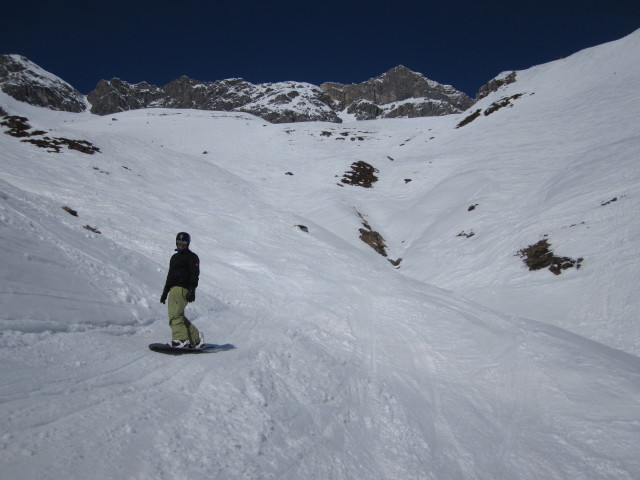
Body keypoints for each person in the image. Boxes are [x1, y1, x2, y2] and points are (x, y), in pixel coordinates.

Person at [160, 232, 204, 348]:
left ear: (188, 243)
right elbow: (170, 275)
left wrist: (192, 290)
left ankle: (179, 339)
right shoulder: (174, 257)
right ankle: (195, 339)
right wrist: (165, 291)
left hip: (182, 289)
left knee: (174, 316)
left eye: (184, 243)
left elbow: (195, 274)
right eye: (179, 243)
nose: (181, 245)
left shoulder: (192, 257)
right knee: (179, 316)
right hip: (173, 289)